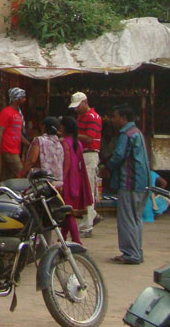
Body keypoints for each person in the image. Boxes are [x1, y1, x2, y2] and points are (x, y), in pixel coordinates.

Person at [105, 104, 150, 265]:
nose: (113, 119)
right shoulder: (137, 132)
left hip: (130, 181)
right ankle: (136, 251)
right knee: (136, 218)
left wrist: (107, 167)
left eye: (115, 116)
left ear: (123, 118)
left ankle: (131, 254)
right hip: (141, 181)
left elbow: (118, 156)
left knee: (127, 218)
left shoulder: (126, 134)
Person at [70, 91, 102, 236]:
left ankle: (87, 225)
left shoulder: (92, 117)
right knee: (85, 189)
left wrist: (72, 135)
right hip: (83, 155)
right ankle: (92, 215)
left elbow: (89, 138)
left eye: (78, 106)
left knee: (88, 189)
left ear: (85, 102)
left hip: (90, 154)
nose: (76, 109)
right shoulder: (81, 116)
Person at [58, 116, 93, 244]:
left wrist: (61, 180)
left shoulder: (64, 143)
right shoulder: (78, 143)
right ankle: (62, 236)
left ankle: (77, 240)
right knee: (69, 211)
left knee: (68, 212)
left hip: (67, 179)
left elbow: (67, 163)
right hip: (76, 179)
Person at [0, 87, 27, 181]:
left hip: (14, 150)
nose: (24, 99)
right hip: (8, 150)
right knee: (21, 174)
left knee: (6, 177)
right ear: (17, 99)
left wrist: (28, 143)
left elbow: (18, 133)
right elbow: (0, 132)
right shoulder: (6, 112)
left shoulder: (17, 114)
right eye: (23, 97)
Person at [20, 116, 64, 181]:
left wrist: (21, 174)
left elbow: (32, 160)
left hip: (40, 180)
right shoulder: (59, 144)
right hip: (56, 180)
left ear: (44, 127)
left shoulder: (39, 141)